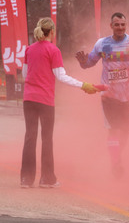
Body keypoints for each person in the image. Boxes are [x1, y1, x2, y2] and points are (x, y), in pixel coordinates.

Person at [20, 17, 98, 189]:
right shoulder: (53, 50)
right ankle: (47, 179)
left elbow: (25, 75)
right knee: (47, 139)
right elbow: (61, 76)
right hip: (46, 100)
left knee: (30, 136)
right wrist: (83, 85)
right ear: (53, 32)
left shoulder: (29, 50)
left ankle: (26, 179)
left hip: (29, 99)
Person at [75, 12, 129, 179]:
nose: (120, 28)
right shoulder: (102, 44)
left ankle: (116, 156)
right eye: (117, 25)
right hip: (109, 96)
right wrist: (82, 62)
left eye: (122, 25)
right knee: (113, 131)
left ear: (126, 25)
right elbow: (89, 64)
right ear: (111, 26)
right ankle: (115, 163)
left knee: (125, 132)